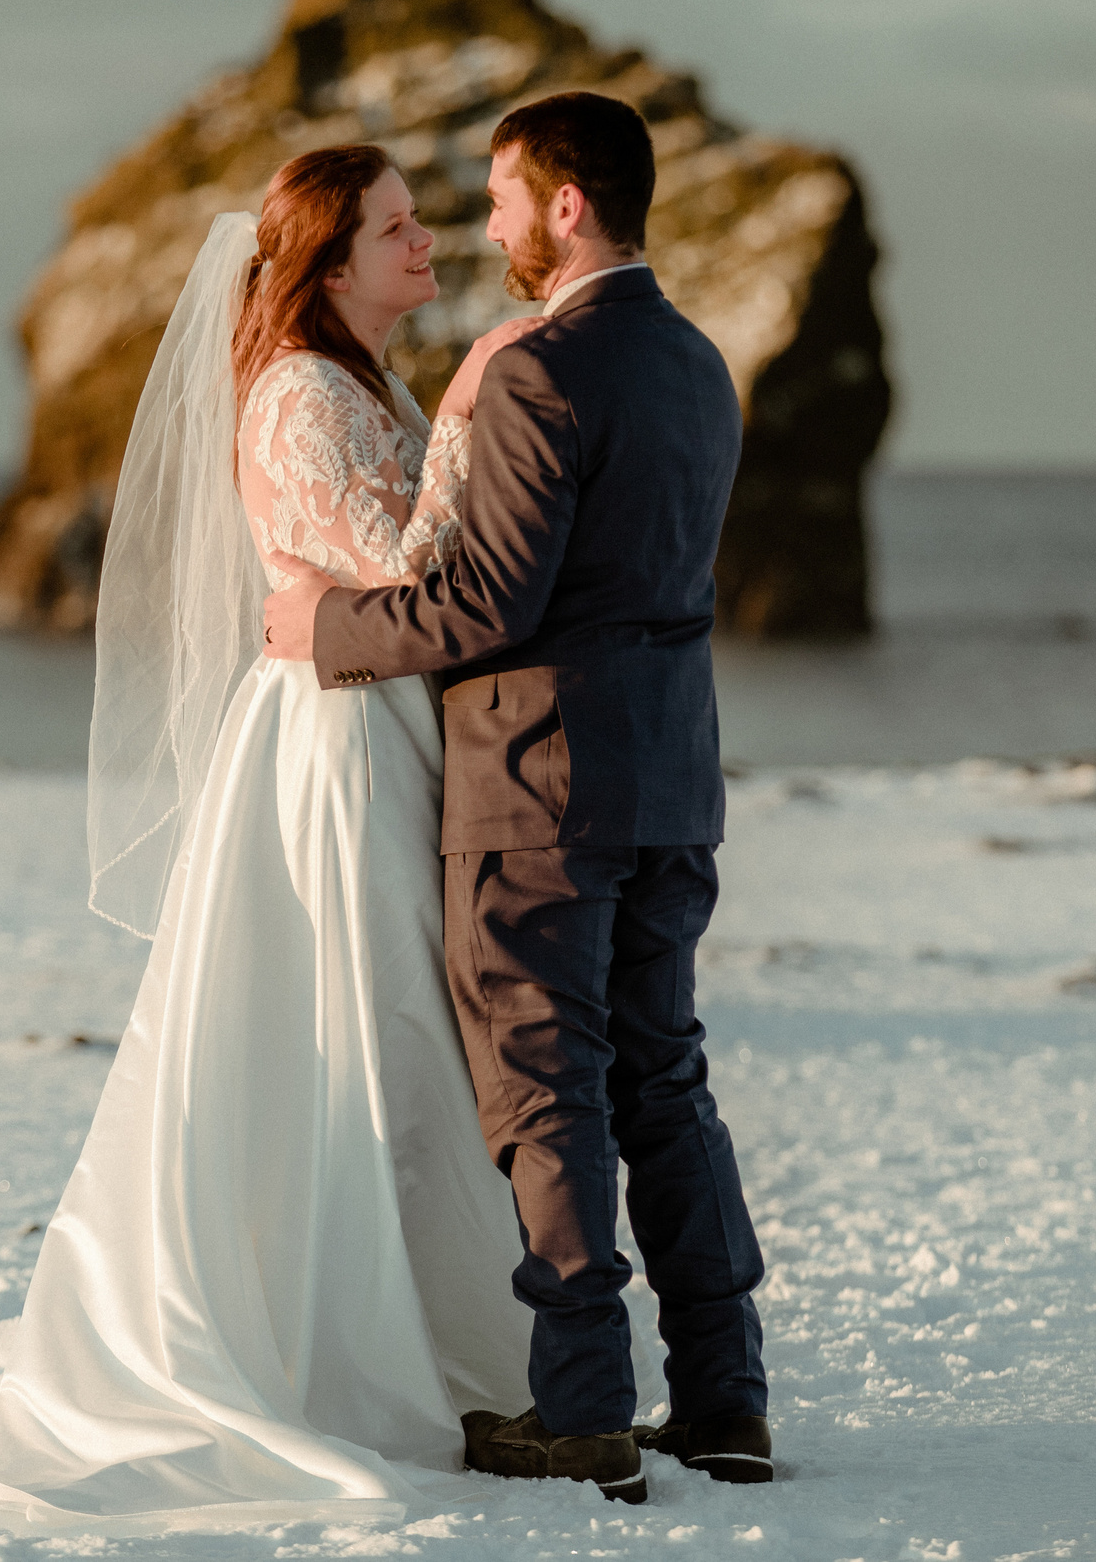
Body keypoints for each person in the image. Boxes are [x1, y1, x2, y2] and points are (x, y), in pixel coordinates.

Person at [0, 143, 658, 1535]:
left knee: (408, 1026)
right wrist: (477, 401)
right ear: (331, 262)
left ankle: (460, 1340)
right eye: (399, 229)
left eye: (421, 221)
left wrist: (455, 404)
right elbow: (413, 563)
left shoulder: (374, 380)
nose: (428, 245)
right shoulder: (299, 395)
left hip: (384, 720)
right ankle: (350, 1349)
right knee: (369, 1024)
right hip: (332, 744)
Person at [261, 92, 773, 1495]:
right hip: (672, 780)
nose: (483, 227)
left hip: (543, 787)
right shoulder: (699, 364)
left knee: (547, 1097)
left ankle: (586, 1410)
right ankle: (727, 1398)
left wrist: (327, 635)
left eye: (496, 199)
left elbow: (488, 599)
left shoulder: (545, 368)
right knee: (666, 1084)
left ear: (563, 204)